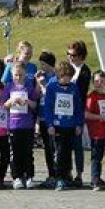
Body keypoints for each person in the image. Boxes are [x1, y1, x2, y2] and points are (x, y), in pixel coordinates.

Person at [44, 60, 84, 191]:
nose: (67, 80)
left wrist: (79, 124)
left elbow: (78, 107)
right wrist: (49, 124)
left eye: (69, 77)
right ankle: (59, 178)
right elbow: (48, 107)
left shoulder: (73, 87)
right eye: (64, 77)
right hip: (56, 125)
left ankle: (67, 176)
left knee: (67, 152)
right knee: (59, 152)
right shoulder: (51, 87)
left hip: (70, 125)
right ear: (59, 76)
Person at [4, 62, 39, 189]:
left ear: (25, 74)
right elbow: (4, 105)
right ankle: (17, 177)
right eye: (15, 75)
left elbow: (35, 105)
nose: (18, 77)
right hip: (13, 124)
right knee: (16, 152)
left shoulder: (29, 87)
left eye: (20, 75)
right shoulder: (9, 87)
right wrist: (11, 101)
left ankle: (29, 176)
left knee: (28, 152)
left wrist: (27, 101)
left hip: (27, 125)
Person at [84, 70, 105, 191]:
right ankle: (94, 180)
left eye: (102, 81)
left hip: (104, 131)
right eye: (96, 81)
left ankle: (98, 177)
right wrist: (101, 117)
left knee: (100, 155)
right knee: (96, 156)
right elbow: (86, 114)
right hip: (95, 131)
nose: (99, 83)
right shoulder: (92, 96)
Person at [67, 41, 91, 188]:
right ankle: (67, 172)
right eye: (68, 54)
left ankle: (79, 174)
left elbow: (81, 92)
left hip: (77, 111)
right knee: (66, 144)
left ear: (81, 56)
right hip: (64, 111)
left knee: (77, 144)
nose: (70, 58)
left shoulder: (84, 71)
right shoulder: (67, 68)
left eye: (73, 55)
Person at [35, 51, 58, 188]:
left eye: (43, 64)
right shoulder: (41, 77)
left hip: (53, 118)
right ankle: (51, 174)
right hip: (42, 116)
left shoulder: (55, 78)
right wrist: (38, 84)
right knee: (47, 149)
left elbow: (53, 97)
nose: (41, 66)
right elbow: (37, 96)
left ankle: (58, 174)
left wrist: (44, 85)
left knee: (55, 147)